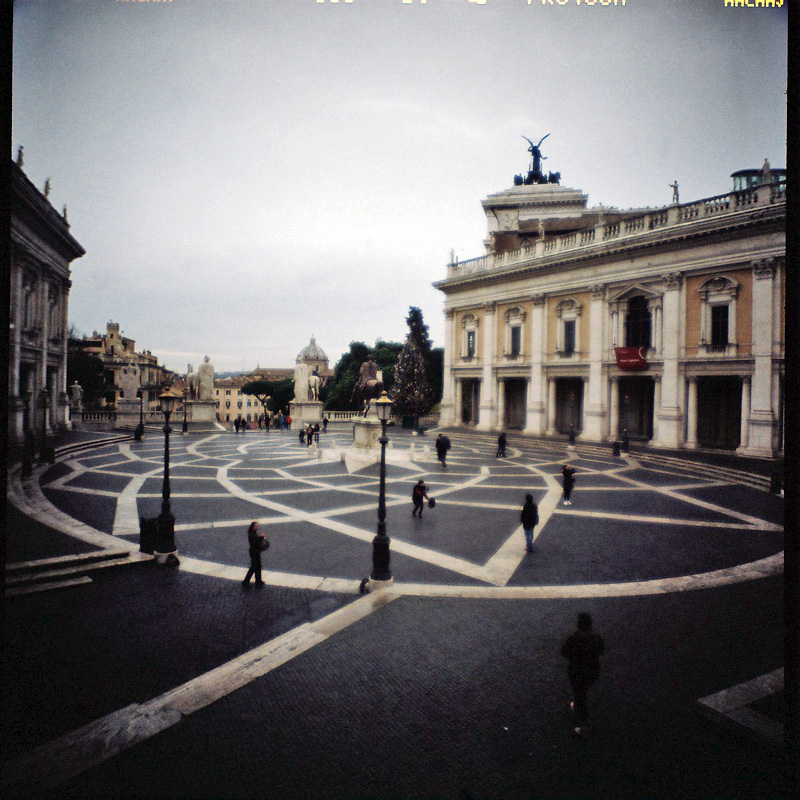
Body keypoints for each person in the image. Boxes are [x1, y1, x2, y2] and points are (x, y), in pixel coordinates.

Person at [560, 612, 604, 735]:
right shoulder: (596, 637)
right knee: (582, 691)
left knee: (580, 694)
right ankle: (578, 711)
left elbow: (563, 652)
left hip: (576, 670)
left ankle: (584, 724)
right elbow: (601, 650)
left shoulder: (573, 638)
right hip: (592, 670)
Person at [242, 520, 267, 586]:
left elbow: (256, 540)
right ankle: (246, 582)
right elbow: (255, 542)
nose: (257, 527)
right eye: (256, 526)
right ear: (253, 527)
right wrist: (261, 537)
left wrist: (260, 537)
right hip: (254, 553)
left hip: (255, 552)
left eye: (257, 526)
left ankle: (258, 581)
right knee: (254, 567)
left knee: (257, 567)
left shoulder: (252, 533)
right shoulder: (252, 534)